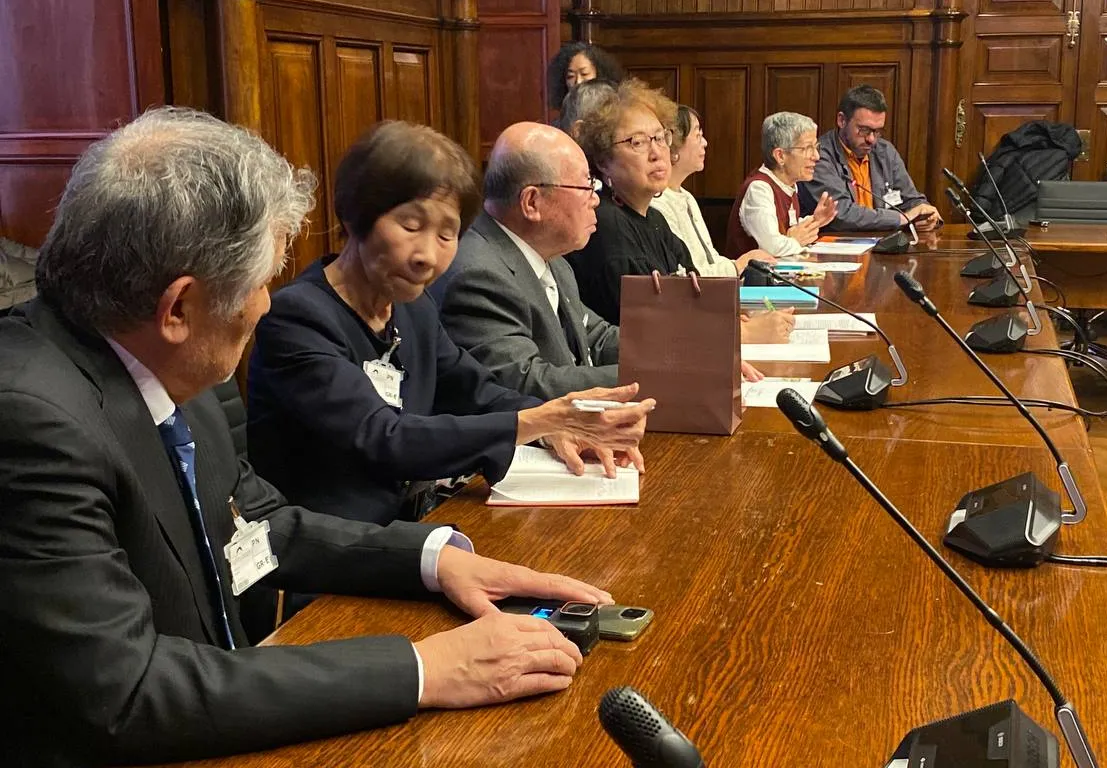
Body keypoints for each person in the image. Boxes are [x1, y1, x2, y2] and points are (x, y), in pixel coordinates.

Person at [0, 107, 615, 766]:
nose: (267, 302)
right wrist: (421, 670)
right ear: (178, 307)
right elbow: (127, 693)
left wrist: (432, 560)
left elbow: (257, 526)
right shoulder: (32, 422)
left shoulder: (170, 366)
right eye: (259, 281)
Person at [248, 121, 653, 533]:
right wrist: (543, 421)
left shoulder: (413, 308)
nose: (427, 255)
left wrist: (555, 428)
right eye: (410, 225)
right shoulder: (297, 316)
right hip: (336, 554)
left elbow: (475, 391)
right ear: (355, 216)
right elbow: (385, 437)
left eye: (448, 234)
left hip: (421, 526)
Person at [436, 122, 766, 400]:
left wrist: (690, 353)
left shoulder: (553, 259)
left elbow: (598, 336)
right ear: (532, 202)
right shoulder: (478, 274)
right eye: (585, 185)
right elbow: (523, 384)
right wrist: (666, 376)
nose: (596, 198)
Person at [562, 79, 697, 325]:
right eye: (637, 142)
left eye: (660, 137)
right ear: (603, 161)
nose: (656, 153)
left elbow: (697, 297)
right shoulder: (604, 223)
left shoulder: (655, 219)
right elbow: (650, 326)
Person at [650, 104, 775, 278]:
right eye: (698, 135)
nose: (705, 142)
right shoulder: (658, 204)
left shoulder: (687, 197)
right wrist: (739, 264)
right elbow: (686, 275)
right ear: (675, 146)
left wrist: (739, 264)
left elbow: (710, 257)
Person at [798, 84, 941, 232]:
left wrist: (926, 214)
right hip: (837, 245)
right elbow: (840, 213)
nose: (871, 139)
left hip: (883, 243)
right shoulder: (818, 156)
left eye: (877, 131)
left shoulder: (885, 152)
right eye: (864, 130)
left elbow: (911, 200)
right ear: (842, 120)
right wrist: (902, 218)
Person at [725, 111, 837, 260]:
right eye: (807, 148)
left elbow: (787, 232)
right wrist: (795, 241)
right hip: (752, 281)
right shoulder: (759, 189)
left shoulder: (789, 186)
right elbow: (773, 247)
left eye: (816, 147)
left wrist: (815, 221)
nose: (816, 156)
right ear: (780, 156)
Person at [547, 42, 625, 112]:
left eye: (584, 74)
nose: (578, 81)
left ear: (599, 74)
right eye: (571, 76)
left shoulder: (614, 112)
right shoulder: (564, 117)